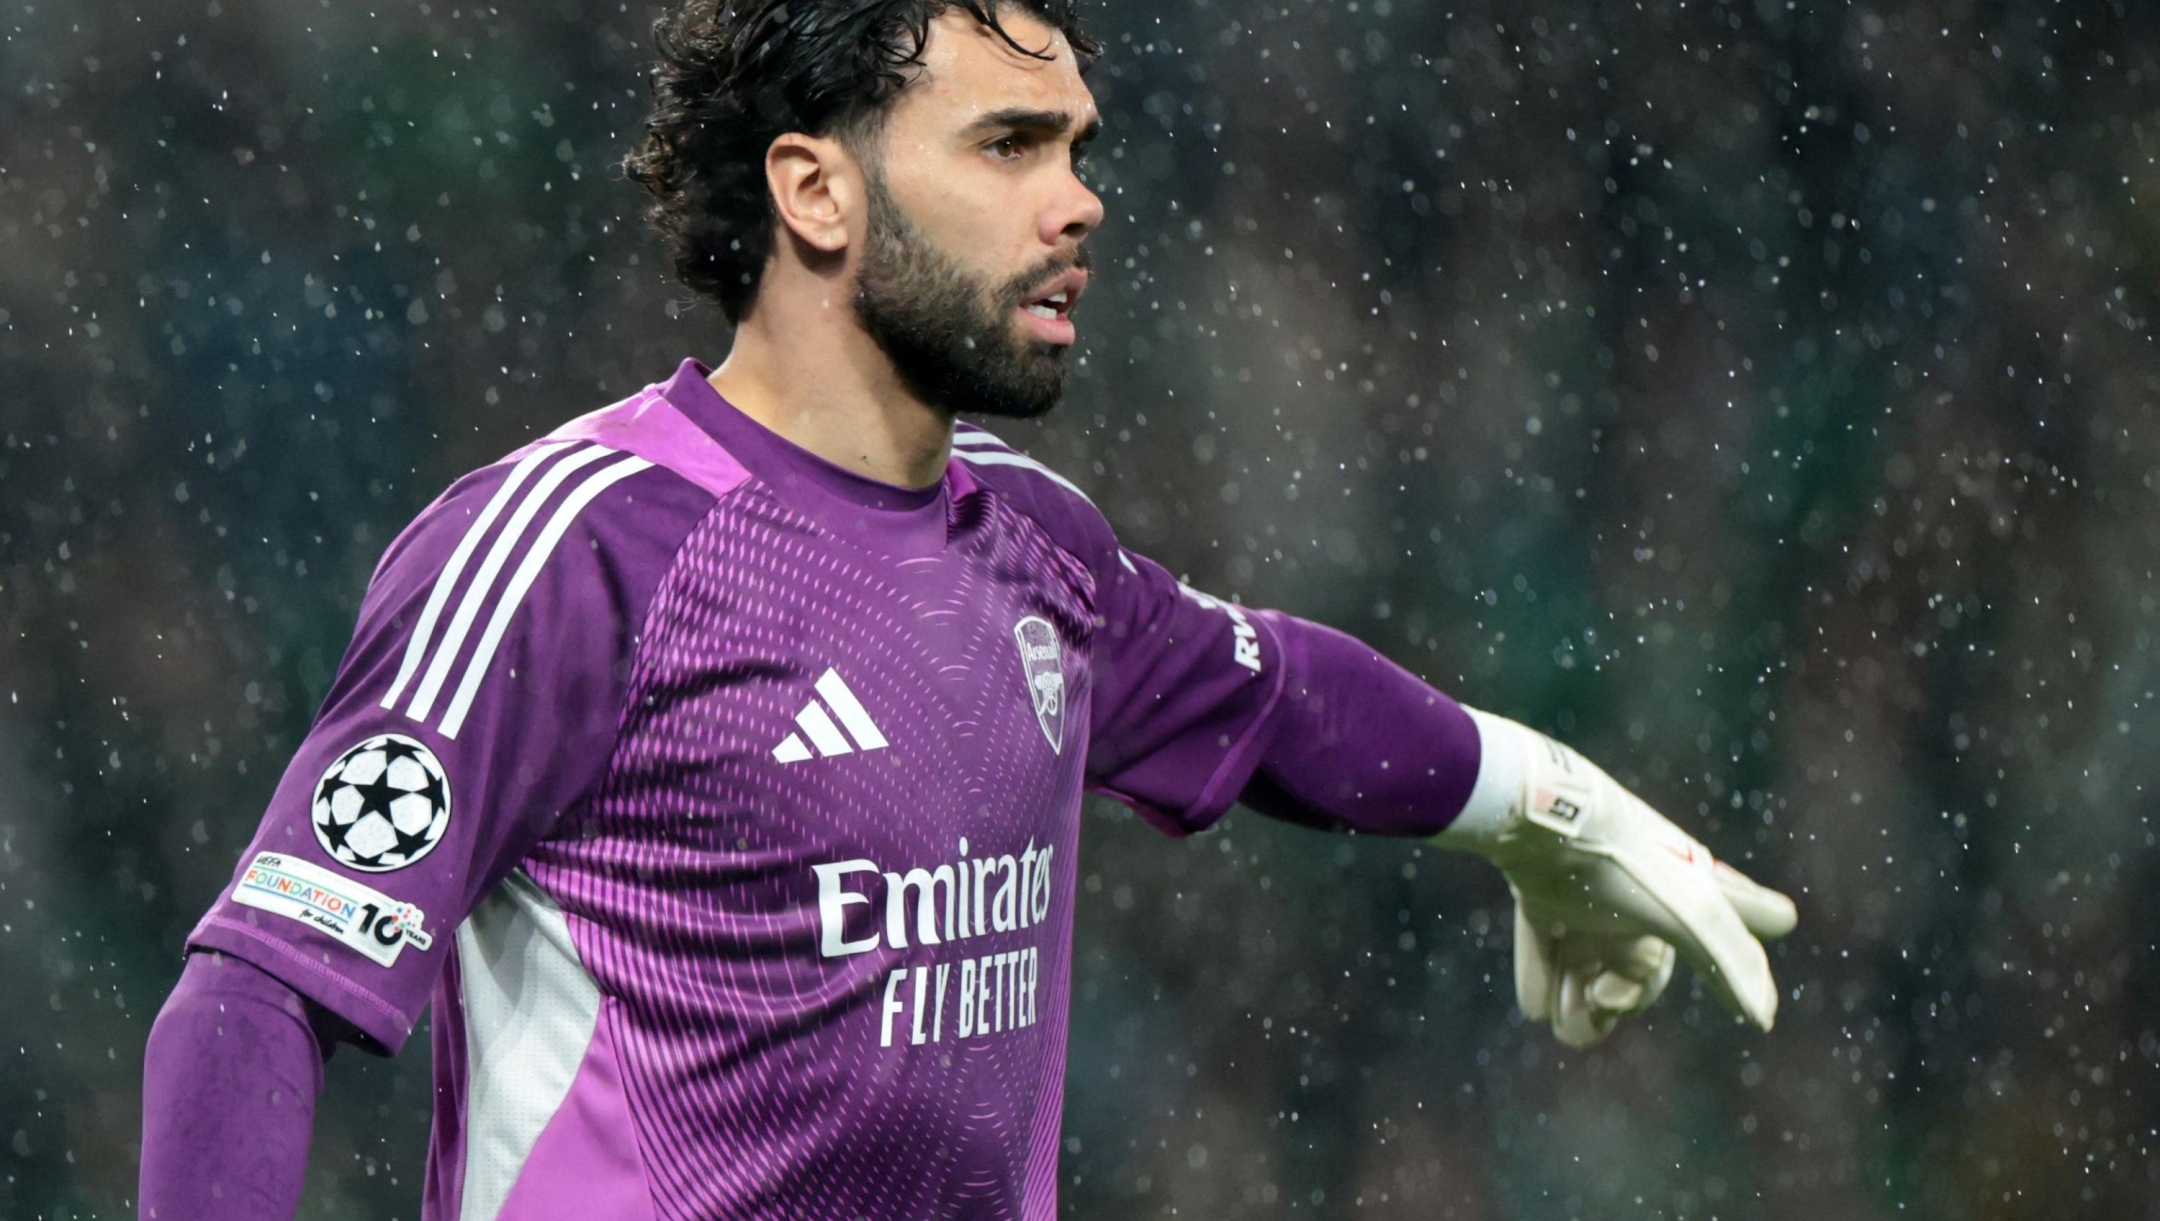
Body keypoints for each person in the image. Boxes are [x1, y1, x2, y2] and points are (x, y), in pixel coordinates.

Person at [137, 2, 1798, 1218]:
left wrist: (1543, 809)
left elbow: (1274, 698)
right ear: (817, 192)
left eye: (1078, 148)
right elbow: (256, 997)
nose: (1078, 200)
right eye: (1009, 145)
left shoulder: (1033, 544)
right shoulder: (579, 551)